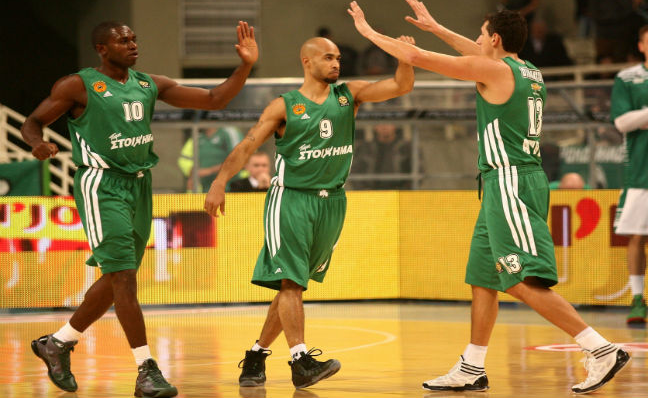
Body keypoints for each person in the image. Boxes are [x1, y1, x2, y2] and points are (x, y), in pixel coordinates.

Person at [348, 0, 629, 394]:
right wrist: (437, 28)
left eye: (481, 35)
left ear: (495, 39)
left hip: (509, 181)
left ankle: (599, 348)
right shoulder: (528, 70)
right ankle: (472, 367)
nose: (477, 40)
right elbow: (474, 54)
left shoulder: (494, 70)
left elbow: (415, 56)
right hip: (508, 181)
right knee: (483, 277)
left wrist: (367, 31)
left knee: (517, 280)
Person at [21, 20, 258, 397]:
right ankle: (147, 370)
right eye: (123, 40)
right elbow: (33, 122)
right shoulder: (78, 85)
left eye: (133, 39)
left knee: (119, 276)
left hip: (139, 184)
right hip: (102, 184)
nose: (132, 44)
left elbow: (215, 99)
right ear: (102, 48)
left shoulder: (149, 84)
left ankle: (59, 342)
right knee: (124, 277)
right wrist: (37, 143)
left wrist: (245, 66)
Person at [203, 36, 414, 389]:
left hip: (332, 202)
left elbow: (400, 86)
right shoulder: (285, 106)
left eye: (338, 58)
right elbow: (248, 145)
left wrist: (405, 59)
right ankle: (300, 360)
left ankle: (256, 355)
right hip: (292, 200)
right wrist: (219, 181)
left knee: (294, 284)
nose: (336, 63)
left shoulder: (349, 95)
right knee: (291, 281)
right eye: (328, 57)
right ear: (307, 61)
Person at [610, 24, 648, 324]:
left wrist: (642, 117)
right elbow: (622, 122)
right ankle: (637, 300)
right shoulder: (627, 78)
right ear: (641, 45)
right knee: (637, 235)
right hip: (641, 171)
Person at [177, 126, 243, 192]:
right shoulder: (197, 136)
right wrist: (193, 174)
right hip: (206, 190)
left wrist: (209, 171)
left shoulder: (230, 132)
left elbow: (239, 160)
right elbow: (185, 160)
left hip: (232, 189)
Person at [353, 123, 414, 189]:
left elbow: (418, 171)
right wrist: (364, 191)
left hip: (400, 192)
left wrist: (405, 190)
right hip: (370, 192)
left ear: (395, 125)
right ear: (375, 127)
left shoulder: (407, 148)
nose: (384, 127)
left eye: (388, 122)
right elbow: (354, 172)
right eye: (380, 123)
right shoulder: (364, 148)